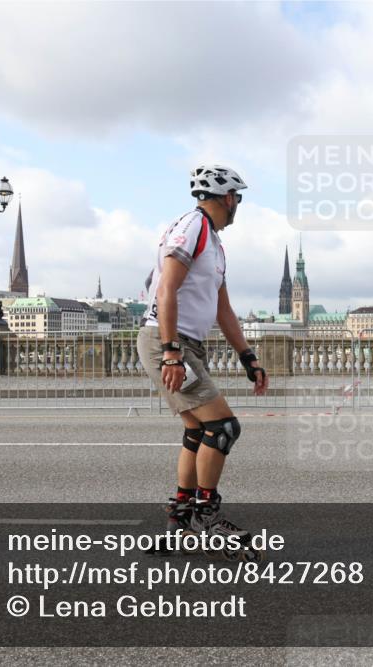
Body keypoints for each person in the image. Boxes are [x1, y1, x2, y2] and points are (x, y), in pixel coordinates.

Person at [138, 164, 268, 560]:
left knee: (198, 429)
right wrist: (172, 350)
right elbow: (165, 288)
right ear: (228, 198)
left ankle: (181, 518)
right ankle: (206, 516)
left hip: (187, 343)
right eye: (237, 200)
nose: (237, 208)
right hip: (169, 341)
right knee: (223, 427)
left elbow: (223, 310)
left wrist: (248, 357)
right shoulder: (192, 227)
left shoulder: (213, 243)